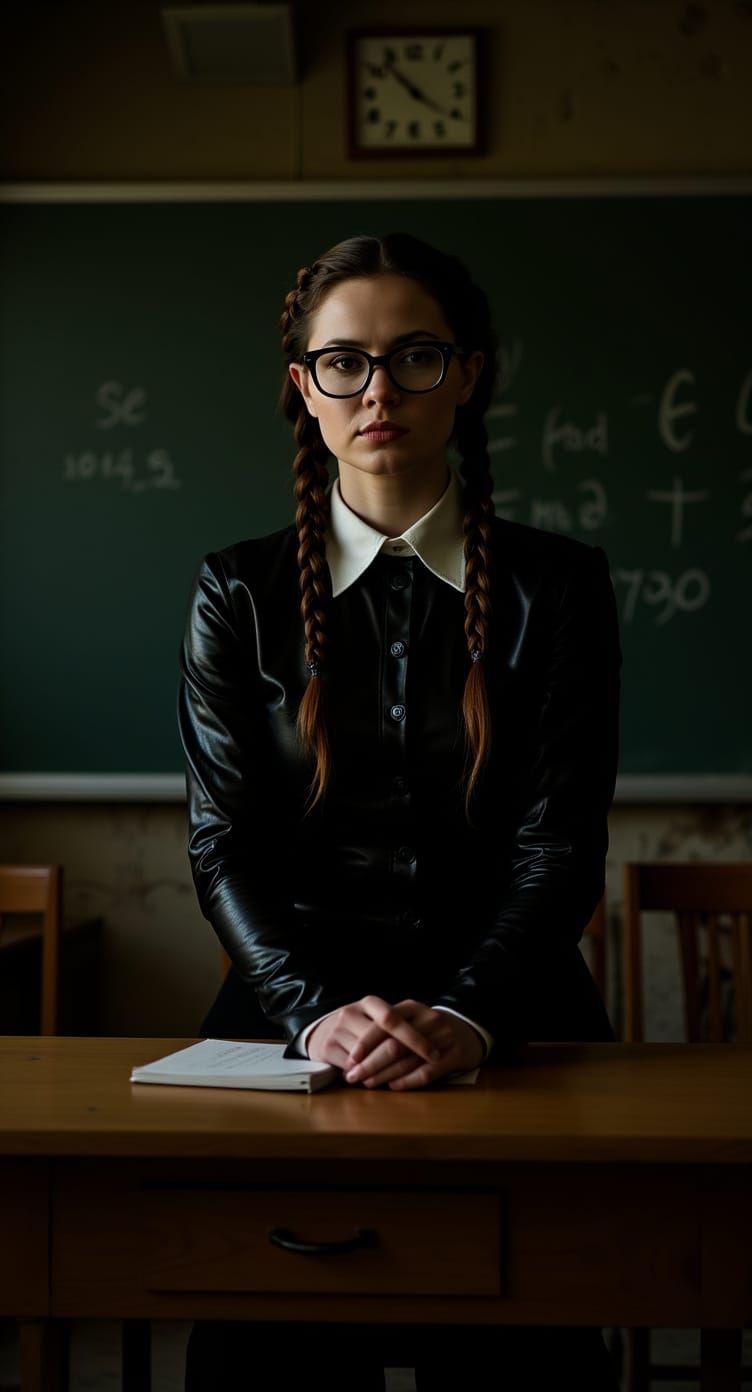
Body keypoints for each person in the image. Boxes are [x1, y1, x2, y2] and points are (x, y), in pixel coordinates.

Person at [178, 232, 621, 1390]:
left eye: (415, 356)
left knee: (524, 1360)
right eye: (343, 362)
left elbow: (557, 843)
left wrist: (463, 1015)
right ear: (301, 388)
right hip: (284, 1035)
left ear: (468, 374)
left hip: (514, 1024)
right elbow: (223, 843)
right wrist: (321, 1013)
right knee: (264, 1355)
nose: (378, 391)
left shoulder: (557, 587)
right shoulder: (238, 589)